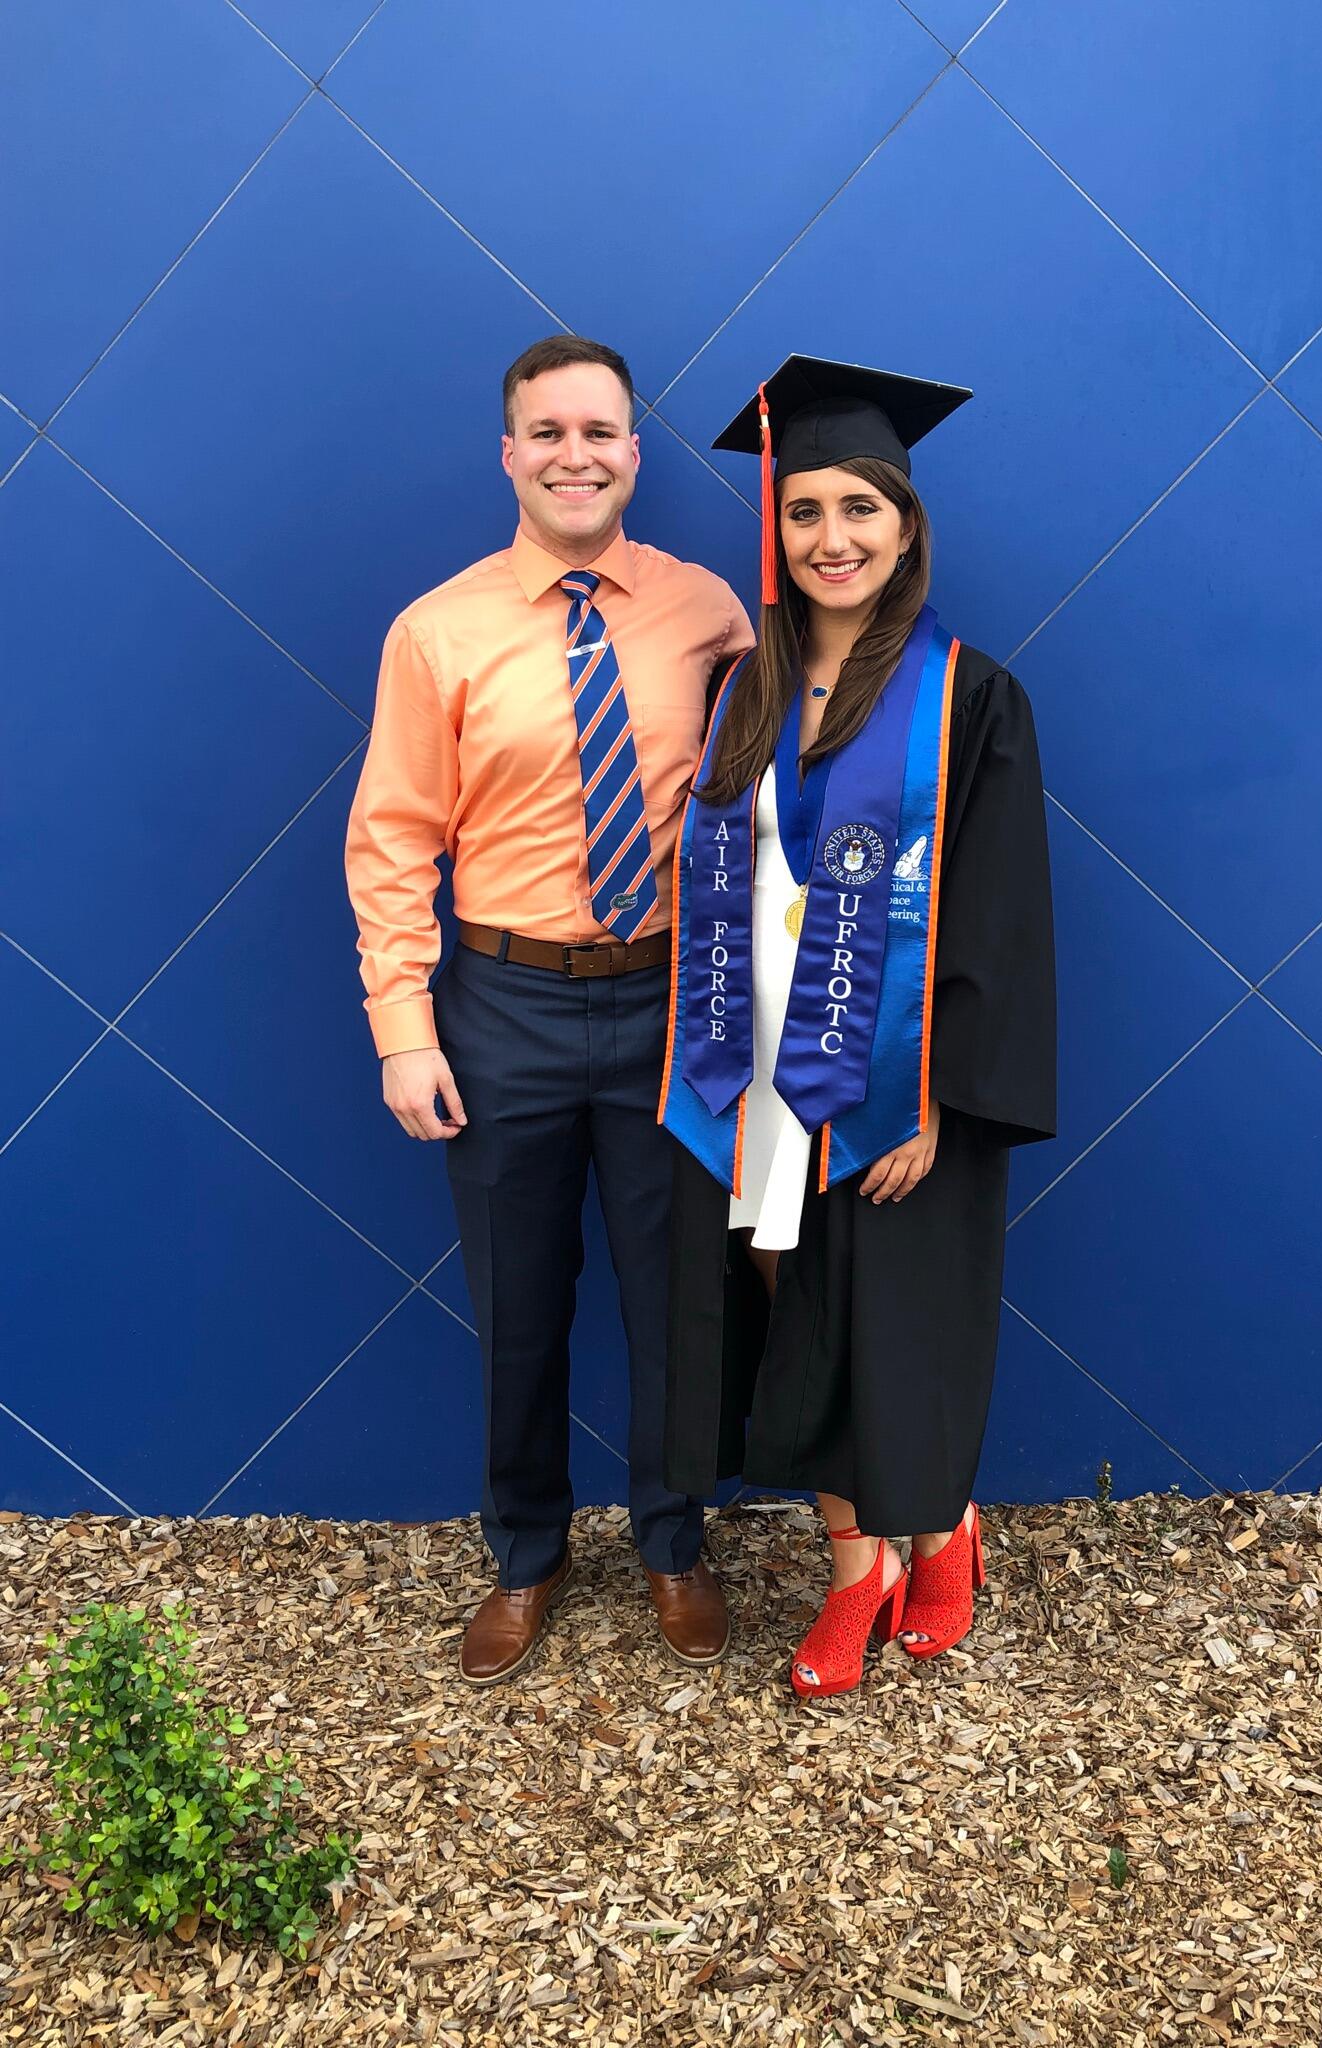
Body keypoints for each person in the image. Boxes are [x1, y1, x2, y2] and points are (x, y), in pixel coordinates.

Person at [345, 334, 753, 1684]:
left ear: (636, 454)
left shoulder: (709, 614)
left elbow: (773, 797)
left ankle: (671, 1540)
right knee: (521, 1301)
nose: (576, 455)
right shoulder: (438, 630)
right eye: (549, 432)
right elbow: (393, 838)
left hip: (666, 1005)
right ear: (510, 453)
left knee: (675, 1297)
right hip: (503, 1007)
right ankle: (527, 1551)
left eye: (601, 432)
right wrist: (405, 1026)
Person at [659, 355, 1056, 1698]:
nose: (831, 539)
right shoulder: (743, 692)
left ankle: (938, 1528)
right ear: (776, 529)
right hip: (762, 1083)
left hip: (901, 1085)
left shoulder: (970, 698)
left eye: (859, 512)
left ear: (905, 526)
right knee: (799, 1324)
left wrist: (934, 1097)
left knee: (900, 1321)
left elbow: (999, 918)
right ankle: (855, 1569)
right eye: (805, 511)